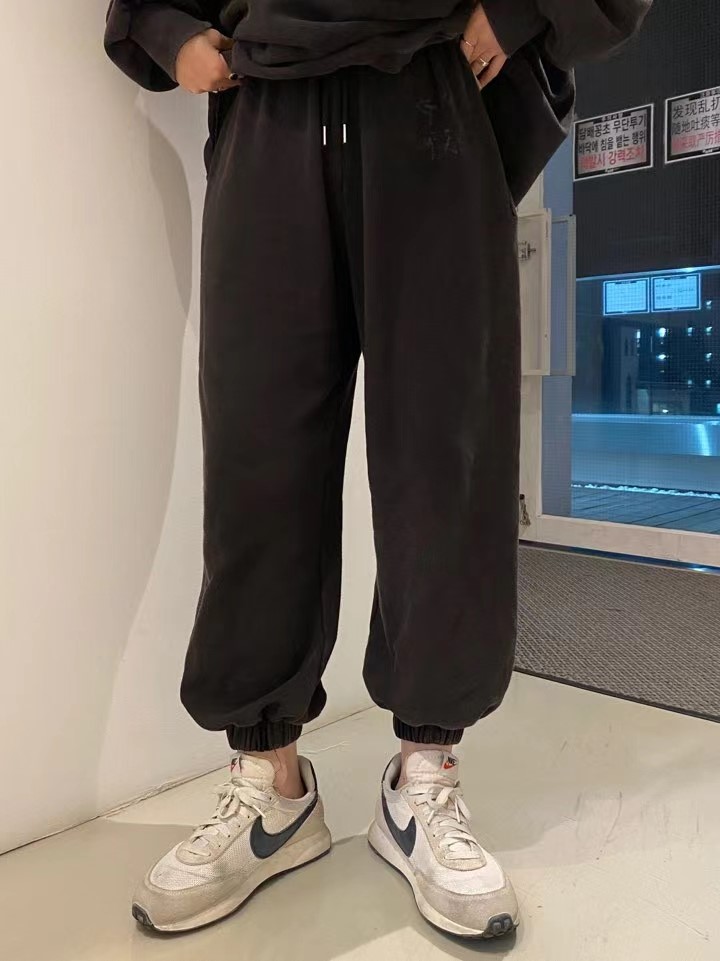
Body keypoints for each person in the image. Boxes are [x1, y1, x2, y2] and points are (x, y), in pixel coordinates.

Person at [104, 0, 651, 940]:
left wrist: (519, 12)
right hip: (268, 104)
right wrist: (166, 29)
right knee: (257, 459)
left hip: (435, 86)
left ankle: (423, 775)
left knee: (446, 454)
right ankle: (271, 784)